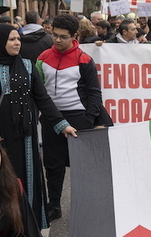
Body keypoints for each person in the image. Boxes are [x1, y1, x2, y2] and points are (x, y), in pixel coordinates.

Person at [0, 24, 76, 228]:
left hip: (25, 139)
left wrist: (62, 124)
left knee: (25, 181)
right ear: (0, 42)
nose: (17, 43)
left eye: (18, 39)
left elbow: (43, 99)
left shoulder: (28, 67)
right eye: (12, 39)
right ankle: (0, 226)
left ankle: (29, 225)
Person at [35, 14, 112, 221]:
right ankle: (54, 205)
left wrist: (88, 119)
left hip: (79, 117)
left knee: (83, 166)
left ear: (75, 36)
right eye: (54, 36)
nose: (57, 40)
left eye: (63, 37)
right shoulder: (42, 58)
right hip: (52, 119)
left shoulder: (84, 59)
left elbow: (95, 93)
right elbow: (37, 91)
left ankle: (87, 205)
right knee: (52, 165)